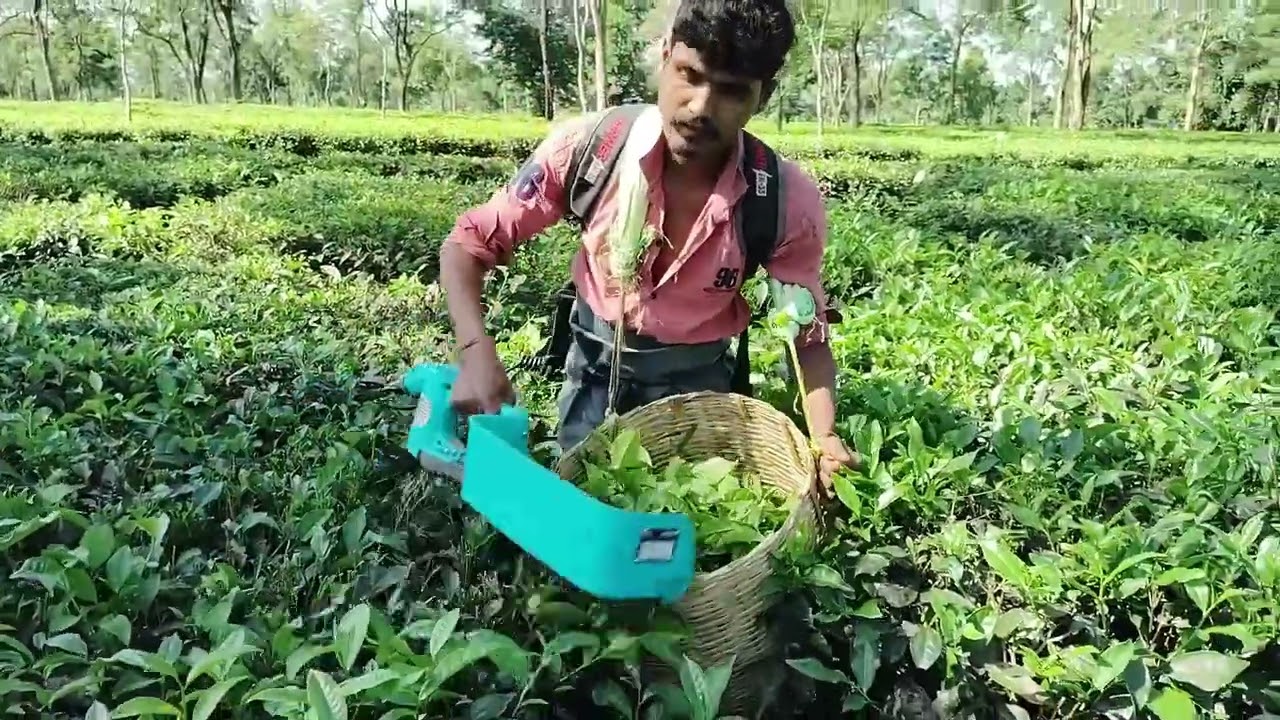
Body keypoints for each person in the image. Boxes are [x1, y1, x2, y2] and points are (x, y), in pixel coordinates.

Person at [438, 0, 859, 496]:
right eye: (689, 74)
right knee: (586, 507)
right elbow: (468, 243)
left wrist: (824, 435)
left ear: (761, 98)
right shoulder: (592, 149)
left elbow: (805, 336)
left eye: (730, 92)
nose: (700, 107)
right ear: (664, 57)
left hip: (700, 390)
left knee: (695, 516)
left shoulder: (783, 199)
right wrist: (475, 352)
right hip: (595, 372)